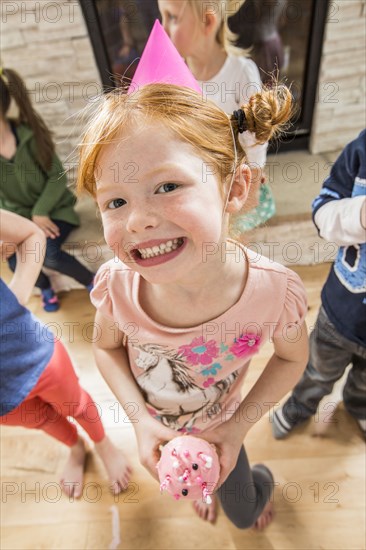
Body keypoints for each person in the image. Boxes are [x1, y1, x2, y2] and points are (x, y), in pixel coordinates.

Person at [76, 81, 309, 528]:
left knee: (243, 514)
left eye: (167, 185)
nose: (138, 219)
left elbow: (292, 358)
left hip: (223, 425)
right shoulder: (117, 285)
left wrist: (236, 430)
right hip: (159, 429)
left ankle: (258, 482)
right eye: (116, 201)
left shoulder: (275, 293)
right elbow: (105, 349)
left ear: (234, 189)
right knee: (189, 485)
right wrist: (141, 422)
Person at [0, 209, 132, 498]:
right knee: (41, 420)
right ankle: (76, 447)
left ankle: (103, 444)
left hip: (36, 358)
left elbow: (29, 234)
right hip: (3, 402)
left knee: (77, 406)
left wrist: (18, 295)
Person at [273, 130, 366, 440]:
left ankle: (358, 406)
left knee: (364, 385)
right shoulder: (361, 150)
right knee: (317, 371)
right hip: (340, 313)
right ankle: (299, 406)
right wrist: (361, 215)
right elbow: (323, 211)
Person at [158, 0, 276, 232]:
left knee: (232, 236)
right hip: (194, 180)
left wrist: (251, 184)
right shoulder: (172, 73)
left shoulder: (241, 72)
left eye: (172, 18)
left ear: (208, 22)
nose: (161, 29)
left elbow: (256, 137)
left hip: (233, 180)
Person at [0, 67, 95, 312]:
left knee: (49, 253)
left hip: (54, 211)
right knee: (13, 262)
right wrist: (12, 231)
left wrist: (40, 212)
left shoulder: (31, 137)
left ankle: (92, 281)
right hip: (21, 219)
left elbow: (56, 177)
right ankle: (45, 287)